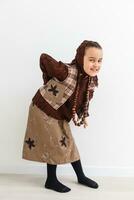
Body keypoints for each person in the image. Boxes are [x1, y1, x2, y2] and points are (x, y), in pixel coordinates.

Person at [22, 40, 103, 193]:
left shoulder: (90, 80)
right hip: (43, 109)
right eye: (91, 60)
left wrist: (84, 115)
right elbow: (44, 58)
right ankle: (50, 180)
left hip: (59, 113)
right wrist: (48, 81)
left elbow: (84, 98)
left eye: (99, 60)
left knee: (69, 142)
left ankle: (81, 176)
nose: (96, 64)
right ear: (81, 58)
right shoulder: (66, 71)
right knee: (56, 144)